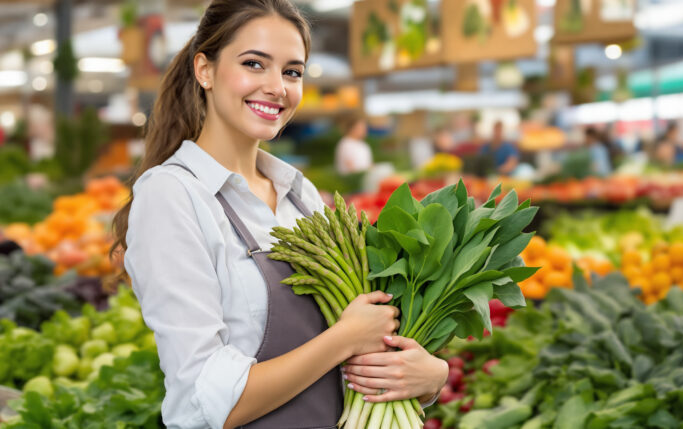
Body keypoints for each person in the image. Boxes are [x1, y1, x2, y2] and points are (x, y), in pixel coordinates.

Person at [111, 2, 448, 428]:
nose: (277, 87)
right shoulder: (172, 195)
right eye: (254, 64)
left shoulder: (299, 194)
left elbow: (362, 355)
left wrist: (429, 377)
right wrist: (344, 338)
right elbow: (207, 401)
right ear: (205, 70)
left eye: (292, 72)